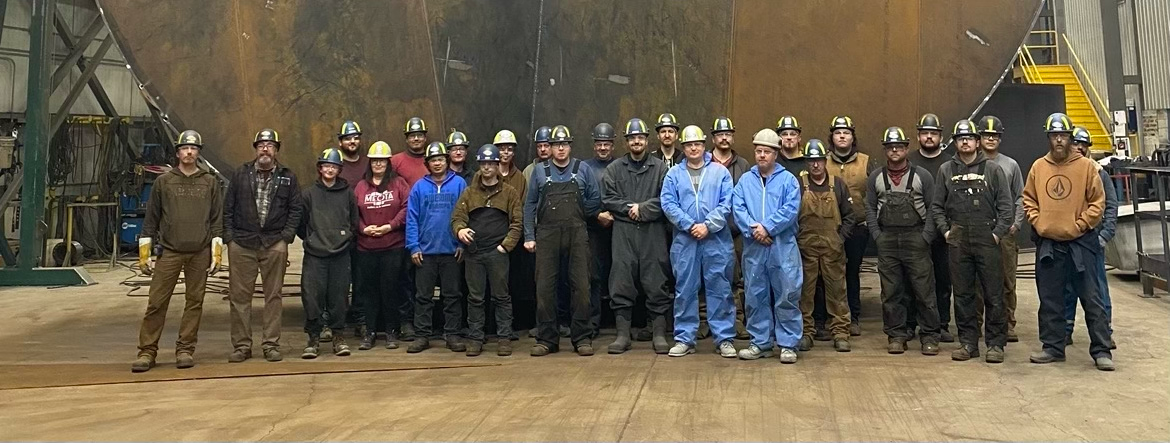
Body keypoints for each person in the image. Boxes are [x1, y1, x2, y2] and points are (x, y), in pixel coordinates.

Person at [1023, 113, 1113, 370]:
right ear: (1048, 138)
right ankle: (1053, 347)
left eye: (1063, 135)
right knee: (1050, 299)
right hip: (1050, 245)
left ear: (1070, 138)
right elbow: (1028, 198)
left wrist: (1081, 224)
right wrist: (1038, 222)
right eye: (1054, 135)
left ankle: (1101, 350)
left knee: (1092, 299)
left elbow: (1098, 202)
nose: (1059, 140)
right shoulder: (1039, 167)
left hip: (1081, 244)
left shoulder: (1085, 167)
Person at [131, 130, 223, 373]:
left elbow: (216, 220)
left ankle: (185, 349)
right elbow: (151, 218)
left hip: (199, 252)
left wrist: (216, 251)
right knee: (157, 302)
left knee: (195, 302)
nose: (189, 152)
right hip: (169, 251)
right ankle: (147, 352)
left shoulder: (209, 182)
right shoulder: (164, 182)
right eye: (185, 148)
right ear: (178, 152)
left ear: (198, 153)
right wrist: (145, 251)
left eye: (193, 149)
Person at [931, 119, 1013, 363]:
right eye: (960, 138)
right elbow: (936, 207)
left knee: (994, 294)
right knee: (964, 294)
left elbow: (1006, 208)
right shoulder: (946, 170)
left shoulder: (993, 170)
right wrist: (946, 232)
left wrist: (996, 234)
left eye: (969, 138)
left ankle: (996, 344)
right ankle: (968, 343)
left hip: (987, 238)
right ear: (955, 143)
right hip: (958, 239)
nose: (964, 142)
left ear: (977, 142)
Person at [523, 125, 603, 356]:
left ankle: (582, 338)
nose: (560, 149)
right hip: (547, 235)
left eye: (564, 144)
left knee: (582, 287)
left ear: (570, 146)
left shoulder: (583, 169)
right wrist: (529, 236)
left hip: (577, 233)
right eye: (556, 145)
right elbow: (529, 206)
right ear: (549, 147)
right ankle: (547, 339)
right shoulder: (540, 172)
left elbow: (595, 200)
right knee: (545, 288)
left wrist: (578, 212)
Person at [225, 129, 302, 363]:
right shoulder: (240, 174)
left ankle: (271, 344)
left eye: (270, 144)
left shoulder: (288, 177)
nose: (265, 148)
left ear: (276, 149)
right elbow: (227, 208)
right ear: (255, 149)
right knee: (239, 297)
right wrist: (230, 239)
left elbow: (295, 209)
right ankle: (242, 345)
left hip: (273, 243)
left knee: (273, 296)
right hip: (243, 243)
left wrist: (286, 238)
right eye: (261, 144)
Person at [660, 125, 737, 358]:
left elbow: (727, 203)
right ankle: (684, 338)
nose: (693, 148)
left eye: (697, 144)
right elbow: (667, 203)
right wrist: (689, 224)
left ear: (704, 146)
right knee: (685, 289)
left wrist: (708, 225)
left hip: (716, 240)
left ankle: (724, 339)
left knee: (720, 288)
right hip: (685, 241)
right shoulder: (673, 174)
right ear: (683, 147)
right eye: (689, 145)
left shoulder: (719, 172)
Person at [866, 127, 941, 355]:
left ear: (907, 148)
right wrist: (877, 235)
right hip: (887, 240)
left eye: (899, 146)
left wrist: (927, 236)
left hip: (916, 239)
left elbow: (933, 208)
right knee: (891, 292)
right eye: (890, 147)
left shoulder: (922, 176)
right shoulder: (876, 177)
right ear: (885, 150)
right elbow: (869, 207)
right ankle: (896, 335)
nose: (895, 150)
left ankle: (930, 336)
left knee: (924, 290)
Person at [731, 129, 802, 363]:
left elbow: (790, 210)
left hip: (782, 246)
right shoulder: (745, 180)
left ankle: (788, 344)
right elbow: (738, 207)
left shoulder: (788, 181)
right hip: (754, 247)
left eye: (767, 152)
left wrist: (768, 228)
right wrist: (754, 228)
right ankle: (760, 342)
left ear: (776, 153)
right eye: (758, 151)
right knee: (755, 294)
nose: (762, 155)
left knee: (787, 293)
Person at [602, 118, 672, 354]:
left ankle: (659, 334)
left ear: (646, 140)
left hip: (653, 233)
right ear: (627, 141)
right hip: (624, 233)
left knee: (656, 280)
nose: (636, 142)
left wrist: (643, 209)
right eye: (632, 138)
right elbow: (608, 198)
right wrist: (627, 209)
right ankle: (623, 335)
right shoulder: (615, 169)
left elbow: (667, 200)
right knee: (621, 279)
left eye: (640, 138)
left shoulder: (661, 168)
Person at [452, 144, 523, 357]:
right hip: (474, 254)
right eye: (483, 163)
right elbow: (457, 218)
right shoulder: (469, 192)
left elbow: (517, 222)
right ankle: (475, 337)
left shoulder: (509, 193)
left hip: (497, 253)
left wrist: (505, 246)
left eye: (491, 163)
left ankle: (504, 337)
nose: (487, 167)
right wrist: (460, 231)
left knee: (501, 296)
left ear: (497, 164)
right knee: (475, 298)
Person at [406, 142, 469, 353]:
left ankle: (452, 334)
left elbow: (466, 215)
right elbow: (412, 218)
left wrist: (462, 243)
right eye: (433, 160)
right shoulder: (419, 187)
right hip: (425, 252)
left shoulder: (459, 184)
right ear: (427, 163)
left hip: (452, 251)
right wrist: (414, 247)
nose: (437, 163)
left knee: (452, 296)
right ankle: (422, 335)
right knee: (423, 297)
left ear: (447, 161)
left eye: (441, 159)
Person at [297, 148, 358, 359]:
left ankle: (338, 338)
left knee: (338, 298)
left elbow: (354, 222)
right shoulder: (308, 194)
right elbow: (300, 223)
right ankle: (313, 339)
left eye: (334, 166)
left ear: (339, 169)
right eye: (326, 166)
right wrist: (313, 239)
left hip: (341, 255)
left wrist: (345, 239)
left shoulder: (348, 193)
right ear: (320, 168)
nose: (330, 169)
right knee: (312, 298)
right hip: (315, 255)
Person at [794, 139, 854, 353]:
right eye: (811, 161)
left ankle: (840, 333)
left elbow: (849, 216)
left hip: (832, 249)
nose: (815, 165)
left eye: (819, 160)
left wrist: (840, 239)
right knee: (805, 293)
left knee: (837, 292)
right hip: (806, 250)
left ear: (825, 160)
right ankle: (806, 333)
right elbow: (792, 217)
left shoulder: (837, 185)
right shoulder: (799, 185)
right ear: (806, 163)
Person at [353, 141, 411, 350]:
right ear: (370, 163)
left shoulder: (399, 184)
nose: (378, 164)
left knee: (390, 290)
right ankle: (369, 333)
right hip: (366, 248)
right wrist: (363, 229)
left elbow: (406, 208)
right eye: (375, 161)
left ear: (388, 163)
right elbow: (353, 213)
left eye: (382, 161)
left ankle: (391, 332)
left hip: (392, 247)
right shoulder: (361, 186)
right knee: (368, 292)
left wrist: (390, 226)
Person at [1065, 126, 1117, 349]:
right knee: (1066, 288)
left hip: (1092, 242)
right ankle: (1065, 330)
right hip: (1067, 241)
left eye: (1084, 145)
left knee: (1098, 289)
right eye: (1076, 143)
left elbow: (1111, 206)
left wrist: (1103, 236)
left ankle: (1104, 332)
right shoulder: (1063, 172)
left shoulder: (1099, 173)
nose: (1079, 148)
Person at [826, 115, 876, 336]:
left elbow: (874, 194)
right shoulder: (823, 162)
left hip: (857, 227)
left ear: (853, 137)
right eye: (838, 132)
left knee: (852, 273)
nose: (842, 136)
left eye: (846, 132)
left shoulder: (866, 161)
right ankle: (830, 316)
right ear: (832, 137)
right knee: (828, 274)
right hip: (829, 229)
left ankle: (853, 317)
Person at [978, 115, 1025, 343]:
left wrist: (1015, 223)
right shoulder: (971, 163)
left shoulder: (1010, 165)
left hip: (1005, 232)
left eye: (994, 136)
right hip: (978, 232)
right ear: (979, 138)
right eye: (986, 135)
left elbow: (1020, 197)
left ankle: (1007, 323)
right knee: (977, 282)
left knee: (1007, 280)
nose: (990, 139)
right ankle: (976, 324)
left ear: (1000, 138)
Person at [909, 113, 954, 342]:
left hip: (943, 232)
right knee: (912, 280)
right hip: (915, 232)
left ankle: (942, 324)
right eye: (925, 133)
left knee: (943, 280)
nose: (929, 137)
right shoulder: (909, 161)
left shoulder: (950, 163)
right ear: (918, 136)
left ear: (940, 136)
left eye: (933, 133)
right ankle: (911, 324)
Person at [708, 116, 750, 340]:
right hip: (709, 231)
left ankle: (738, 320)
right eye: (720, 134)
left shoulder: (742, 165)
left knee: (738, 278)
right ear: (713, 138)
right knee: (710, 275)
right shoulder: (704, 162)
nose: (724, 138)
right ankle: (707, 320)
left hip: (736, 232)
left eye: (728, 134)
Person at [584, 123, 617, 337]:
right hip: (592, 229)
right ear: (594, 145)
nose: (603, 148)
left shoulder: (620, 166)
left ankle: (621, 324)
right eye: (599, 144)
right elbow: (581, 197)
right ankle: (592, 324)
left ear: (612, 145)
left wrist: (614, 214)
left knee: (620, 276)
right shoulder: (584, 168)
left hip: (619, 228)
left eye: (606, 144)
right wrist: (597, 214)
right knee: (593, 277)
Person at [393, 117, 431, 186]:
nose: (416, 139)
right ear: (406, 140)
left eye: (419, 135)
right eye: (412, 136)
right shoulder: (395, 161)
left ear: (425, 138)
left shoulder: (434, 160)